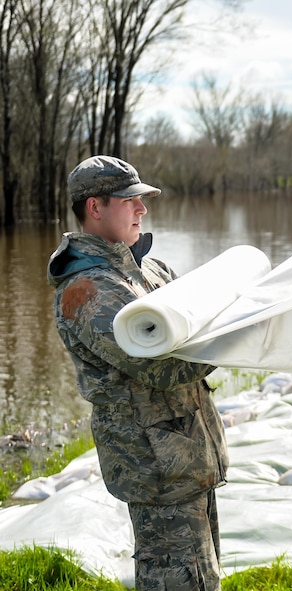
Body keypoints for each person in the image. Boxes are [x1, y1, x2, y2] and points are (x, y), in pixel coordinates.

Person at [47, 155, 229, 591]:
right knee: (177, 582)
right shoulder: (87, 288)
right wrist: (239, 334)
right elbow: (162, 369)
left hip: (189, 460)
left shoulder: (150, 268)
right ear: (95, 207)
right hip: (157, 469)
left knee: (207, 579)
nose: (142, 209)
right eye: (131, 200)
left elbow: (202, 311)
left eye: (142, 199)